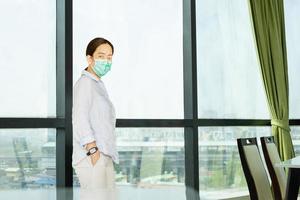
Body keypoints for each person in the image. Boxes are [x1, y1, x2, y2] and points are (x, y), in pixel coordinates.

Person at [72, 37, 119, 199]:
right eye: (101, 56)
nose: (106, 61)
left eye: (109, 56)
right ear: (89, 58)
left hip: (103, 154)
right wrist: (93, 152)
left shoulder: (97, 84)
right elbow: (79, 119)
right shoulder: (84, 84)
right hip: (92, 156)